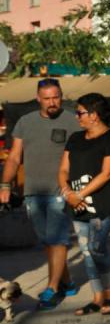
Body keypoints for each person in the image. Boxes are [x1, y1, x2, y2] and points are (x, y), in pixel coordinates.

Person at [0, 78, 81, 310]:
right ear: (38, 99)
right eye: (47, 98)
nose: (52, 102)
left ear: (61, 96)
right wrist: (5, 185)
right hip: (33, 192)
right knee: (48, 241)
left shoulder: (72, 121)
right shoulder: (25, 122)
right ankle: (67, 281)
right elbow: (15, 156)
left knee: (57, 239)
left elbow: (83, 153)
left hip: (61, 190)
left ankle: (52, 288)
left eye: (56, 97)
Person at [58, 93, 110, 316]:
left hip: (103, 206)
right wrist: (68, 193)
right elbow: (63, 170)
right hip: (77, 205)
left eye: (80, 112)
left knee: (97, 248)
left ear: (94, 115)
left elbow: (107, 174)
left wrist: (79, 194)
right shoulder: (75, 138)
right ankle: (97, 298)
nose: (77, 116)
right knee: (86, 252)